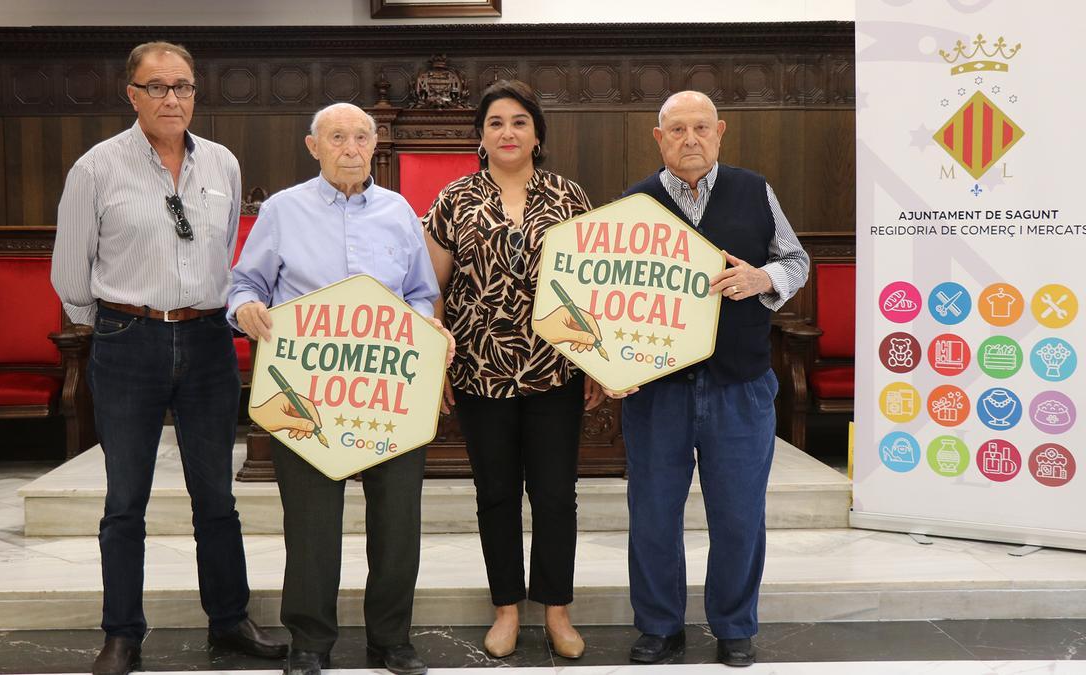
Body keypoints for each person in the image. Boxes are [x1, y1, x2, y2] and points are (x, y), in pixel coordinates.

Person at [51, 42, 287, 675]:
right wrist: (112, 326)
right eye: (156, 87)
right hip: (129, 341)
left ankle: (230, 620)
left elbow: (227, 256)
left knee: (216, 496)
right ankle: (122, 633)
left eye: (182, 86)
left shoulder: (223, 164)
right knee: (124, 499)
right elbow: (70, 275)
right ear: (130, 94)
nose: (171, 99)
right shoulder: (96, 169)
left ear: (195, 93)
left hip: (209, 341)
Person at [229, 102, 451, 675]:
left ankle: (392, 640)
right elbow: (244, 285)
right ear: (314, 146)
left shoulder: (400, 211)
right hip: (305, 393)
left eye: (360, 137)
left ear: (374, 145)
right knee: (310, 527)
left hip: (388, 393)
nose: (350, 147)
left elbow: (422, 293)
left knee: (397, 523)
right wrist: (247, 308)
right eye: (337, 137)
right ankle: (310, 642)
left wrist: (427, 320)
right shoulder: (282, 210)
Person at [611, 90, 809, 668]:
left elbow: (796, 260)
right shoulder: (635, 203)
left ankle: (734, 626)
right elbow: (613, 300)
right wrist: (612, 365)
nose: (689, 139)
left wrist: (762, 278)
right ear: (659, 137)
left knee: (740, 513)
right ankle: (658, 626)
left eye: (701, 128)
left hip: (740, 384)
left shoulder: (754, 189)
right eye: (677, 129)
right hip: (657, 389)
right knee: (652, 514)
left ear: (720, 132)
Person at [423, 79, 605, 661]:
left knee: (556, 494)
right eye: (496, 122)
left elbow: (591, 284)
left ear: (537, 133)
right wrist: (435, 366)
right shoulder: (453, 199)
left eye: (519, 122)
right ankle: (505, 608)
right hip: (479, 369)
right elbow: (432, 291)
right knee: (495, 492)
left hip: (555, 367)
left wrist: (597, 362)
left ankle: (556, 609)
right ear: (480, 134)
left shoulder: (569, 196)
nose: (508, 132)